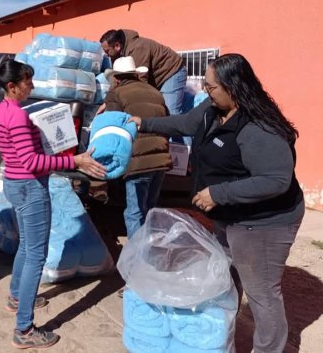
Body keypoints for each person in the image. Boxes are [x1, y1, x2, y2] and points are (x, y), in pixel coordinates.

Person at [129, 54, 304, 353]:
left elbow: (276, 180)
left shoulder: (259, 127)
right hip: (228, 215)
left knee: (261, 293)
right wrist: (143, 123)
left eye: (211, 87)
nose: (207, 92)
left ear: (233, 88)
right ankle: (219, 338)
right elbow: (184, 123)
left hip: (262, 222)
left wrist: (218, 194)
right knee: (224, 276)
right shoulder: (212, 109)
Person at [0, 59, 106, 349]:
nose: (32, 86)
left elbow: (21, 155)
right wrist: (74, 160)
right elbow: (32, 161)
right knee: (36, 255)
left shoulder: (4, 110)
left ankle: (16, 297)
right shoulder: (18, 117)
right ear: (12, 87)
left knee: (27, 245)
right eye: (28, 82)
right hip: (29, 186)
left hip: (14, 183)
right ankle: (24, 329)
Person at [103, 57, 171, 240]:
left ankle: (137, 258)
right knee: (150, 209)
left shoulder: (116, 94)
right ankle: (150, 250)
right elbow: (168, 123)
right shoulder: (155, 92)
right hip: (161, 160)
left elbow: (113, 128)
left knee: (134, 212)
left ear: (116, 78)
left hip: (137, 161)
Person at [100, 29, 187, 115]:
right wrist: (108, 101)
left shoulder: (138, 48)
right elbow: (116, 79)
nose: (106, 55)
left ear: (117, 46)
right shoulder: (116, 55)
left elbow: (139, 80)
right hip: (156, 77)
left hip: (171, 71)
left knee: (170, 113)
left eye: (107, 51)